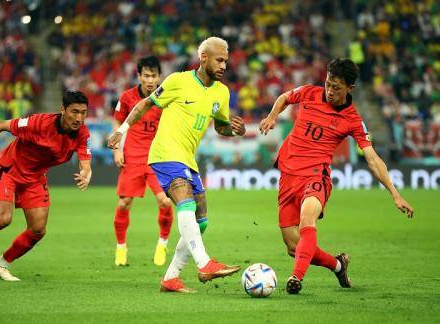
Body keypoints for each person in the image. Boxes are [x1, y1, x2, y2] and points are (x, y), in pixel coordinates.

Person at [259, 58, 414, 294]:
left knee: (307, 220)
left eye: (336, 88)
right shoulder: (310, 93)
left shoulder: (352, 120)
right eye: (328, 83)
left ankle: (296, 278)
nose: (330, 91)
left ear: (350, 88)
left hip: (315, 176)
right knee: (294, 247)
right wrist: (272, 117)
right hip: (288, 174)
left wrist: (395, 194)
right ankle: (338, 264)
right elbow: (284, 98)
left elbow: (373, 159)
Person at [107, 36, 246, 293]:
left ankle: (171, 278)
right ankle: (204, 263)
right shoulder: (178, 81)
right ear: (203, 58)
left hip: (188, 158)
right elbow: (144, 104)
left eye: (226, 61)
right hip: (165, 153)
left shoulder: (222, 92)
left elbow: (220, 126)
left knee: (201, 221)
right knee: (185, 202)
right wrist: (122, 131)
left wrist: (235, 130)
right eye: (219, 60)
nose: (224, 65)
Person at [0, 90, 92, 281]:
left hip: (35, 178)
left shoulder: (82, 133)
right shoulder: (38, 123)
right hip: (10, 170)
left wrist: (86, 175)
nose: (79, 118)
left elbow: (85, 164)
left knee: (38, 230)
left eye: (83, 113)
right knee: (3, 220)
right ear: (63, 110)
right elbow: (0, 125)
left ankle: (1, 265)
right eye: (75, 112)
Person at [112, 56, 173, 267]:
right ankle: (121, 247)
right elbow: (118, 122)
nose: (150, 80)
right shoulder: (127, 97)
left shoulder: (166, 97)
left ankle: (162, 243)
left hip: (158, 158)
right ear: (139, 76)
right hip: (133, 156)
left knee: (165, 201)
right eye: (146, 75)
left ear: (159, 77)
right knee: (124, 203)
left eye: (154, 75)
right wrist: (116, 150)